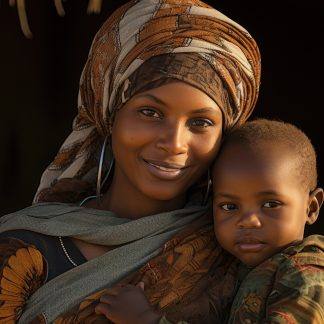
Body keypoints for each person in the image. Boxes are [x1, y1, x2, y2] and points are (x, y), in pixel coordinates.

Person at [0, 0, 260, 322]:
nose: (174, 144)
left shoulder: (240, 256)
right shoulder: (22, 243)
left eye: (201, 123)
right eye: (150, 113)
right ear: (110, 116)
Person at [95, 119, 324, 324]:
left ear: (311, 207)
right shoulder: (225, 268)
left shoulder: (306, 273)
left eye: (271, 204)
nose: (248, 222)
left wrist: (146, 319)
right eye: (229, 207)